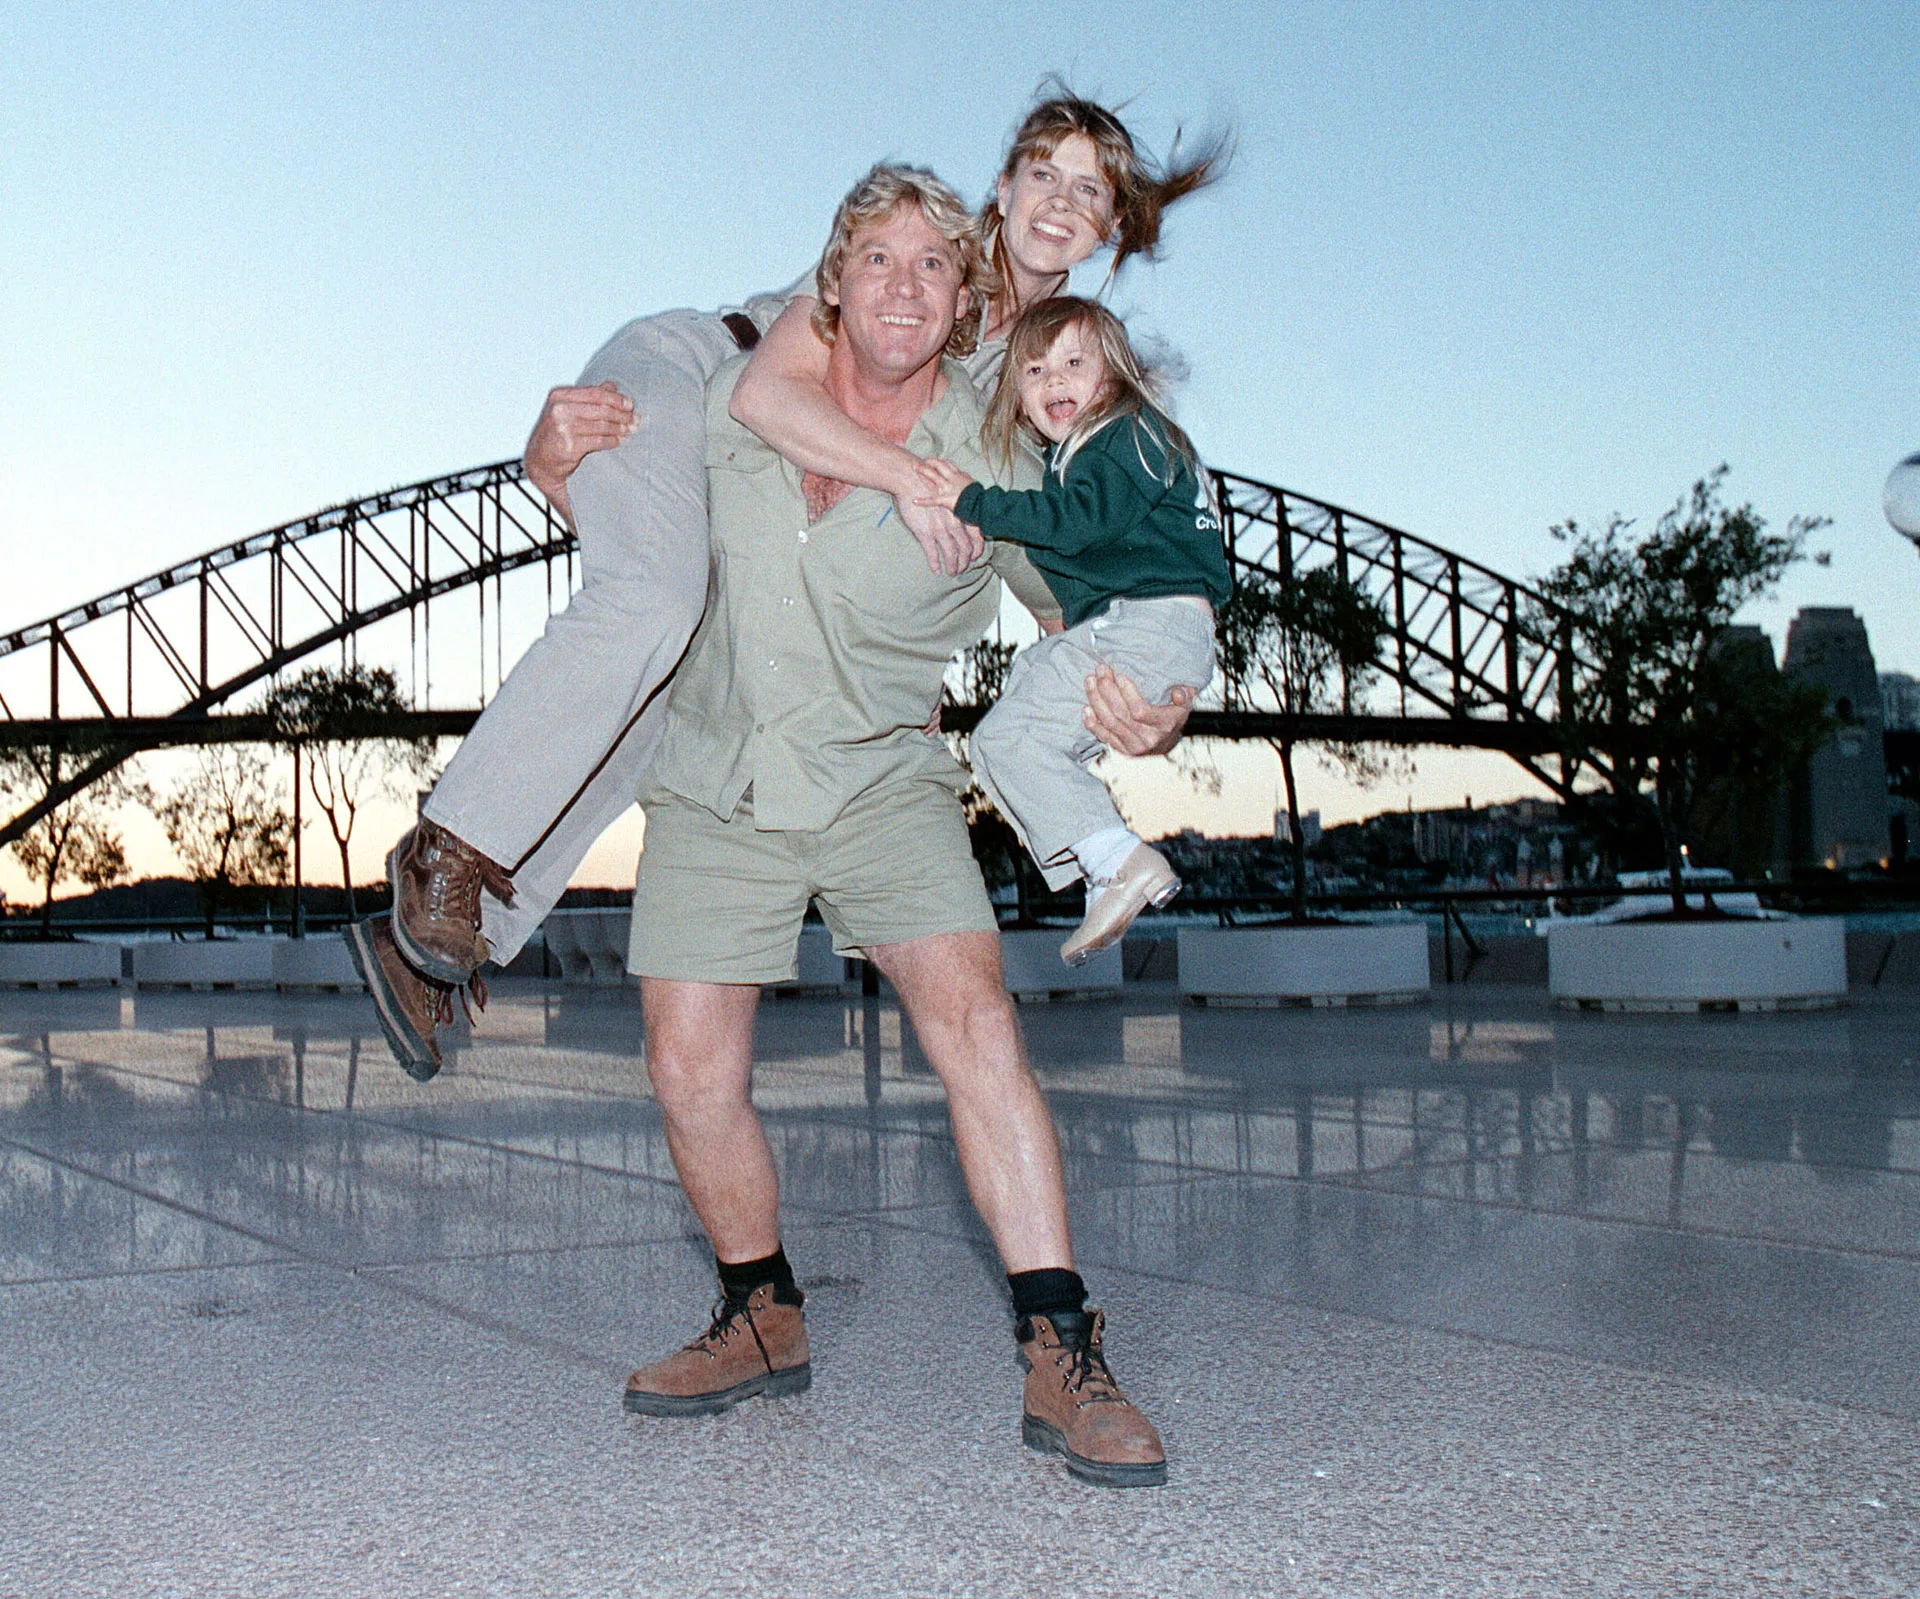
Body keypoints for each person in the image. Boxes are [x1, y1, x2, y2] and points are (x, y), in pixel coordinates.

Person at [347, 90, 1223, 1081]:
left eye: (1090, 191)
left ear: (1112, 228)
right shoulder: (918, 243)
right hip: (695, 378)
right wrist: (907, 477)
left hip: (740, 495)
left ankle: (424, 951)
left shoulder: (1051, 372)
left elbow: (1076, 576)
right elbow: (764, 393)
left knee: (672, 687)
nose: (1061, 202)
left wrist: (1157, 702)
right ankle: (446, 851)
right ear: (1004, 183)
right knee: (660, 604)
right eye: (1044, 173)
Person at [619, 163, 1168, 1490]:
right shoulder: (740, 405)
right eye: (879, 260)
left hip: (885, 778)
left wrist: (1151, 699)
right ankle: (761, 1311)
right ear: (835, 284)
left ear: (966, 293)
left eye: (935, 264)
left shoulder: (999, 458)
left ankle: (1064, 1349)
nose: (906, 285)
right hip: (719, 773)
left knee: (977, 1023)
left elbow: (1098, 596)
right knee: (689, 1064)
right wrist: (551, 452)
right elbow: (618, 524)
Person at [915, 296, 1231, 964]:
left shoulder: (1124, 434)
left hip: (1148, 621)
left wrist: (973, 501)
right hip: (1147, 624)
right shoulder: (1103, 447)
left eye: (1073, 363)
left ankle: (1116, 857)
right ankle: (1103, 869)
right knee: (1022, 708)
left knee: (1006, 737)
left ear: (1112, 376)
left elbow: (1072, 523)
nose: (1052, 379)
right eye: (1032, 371)